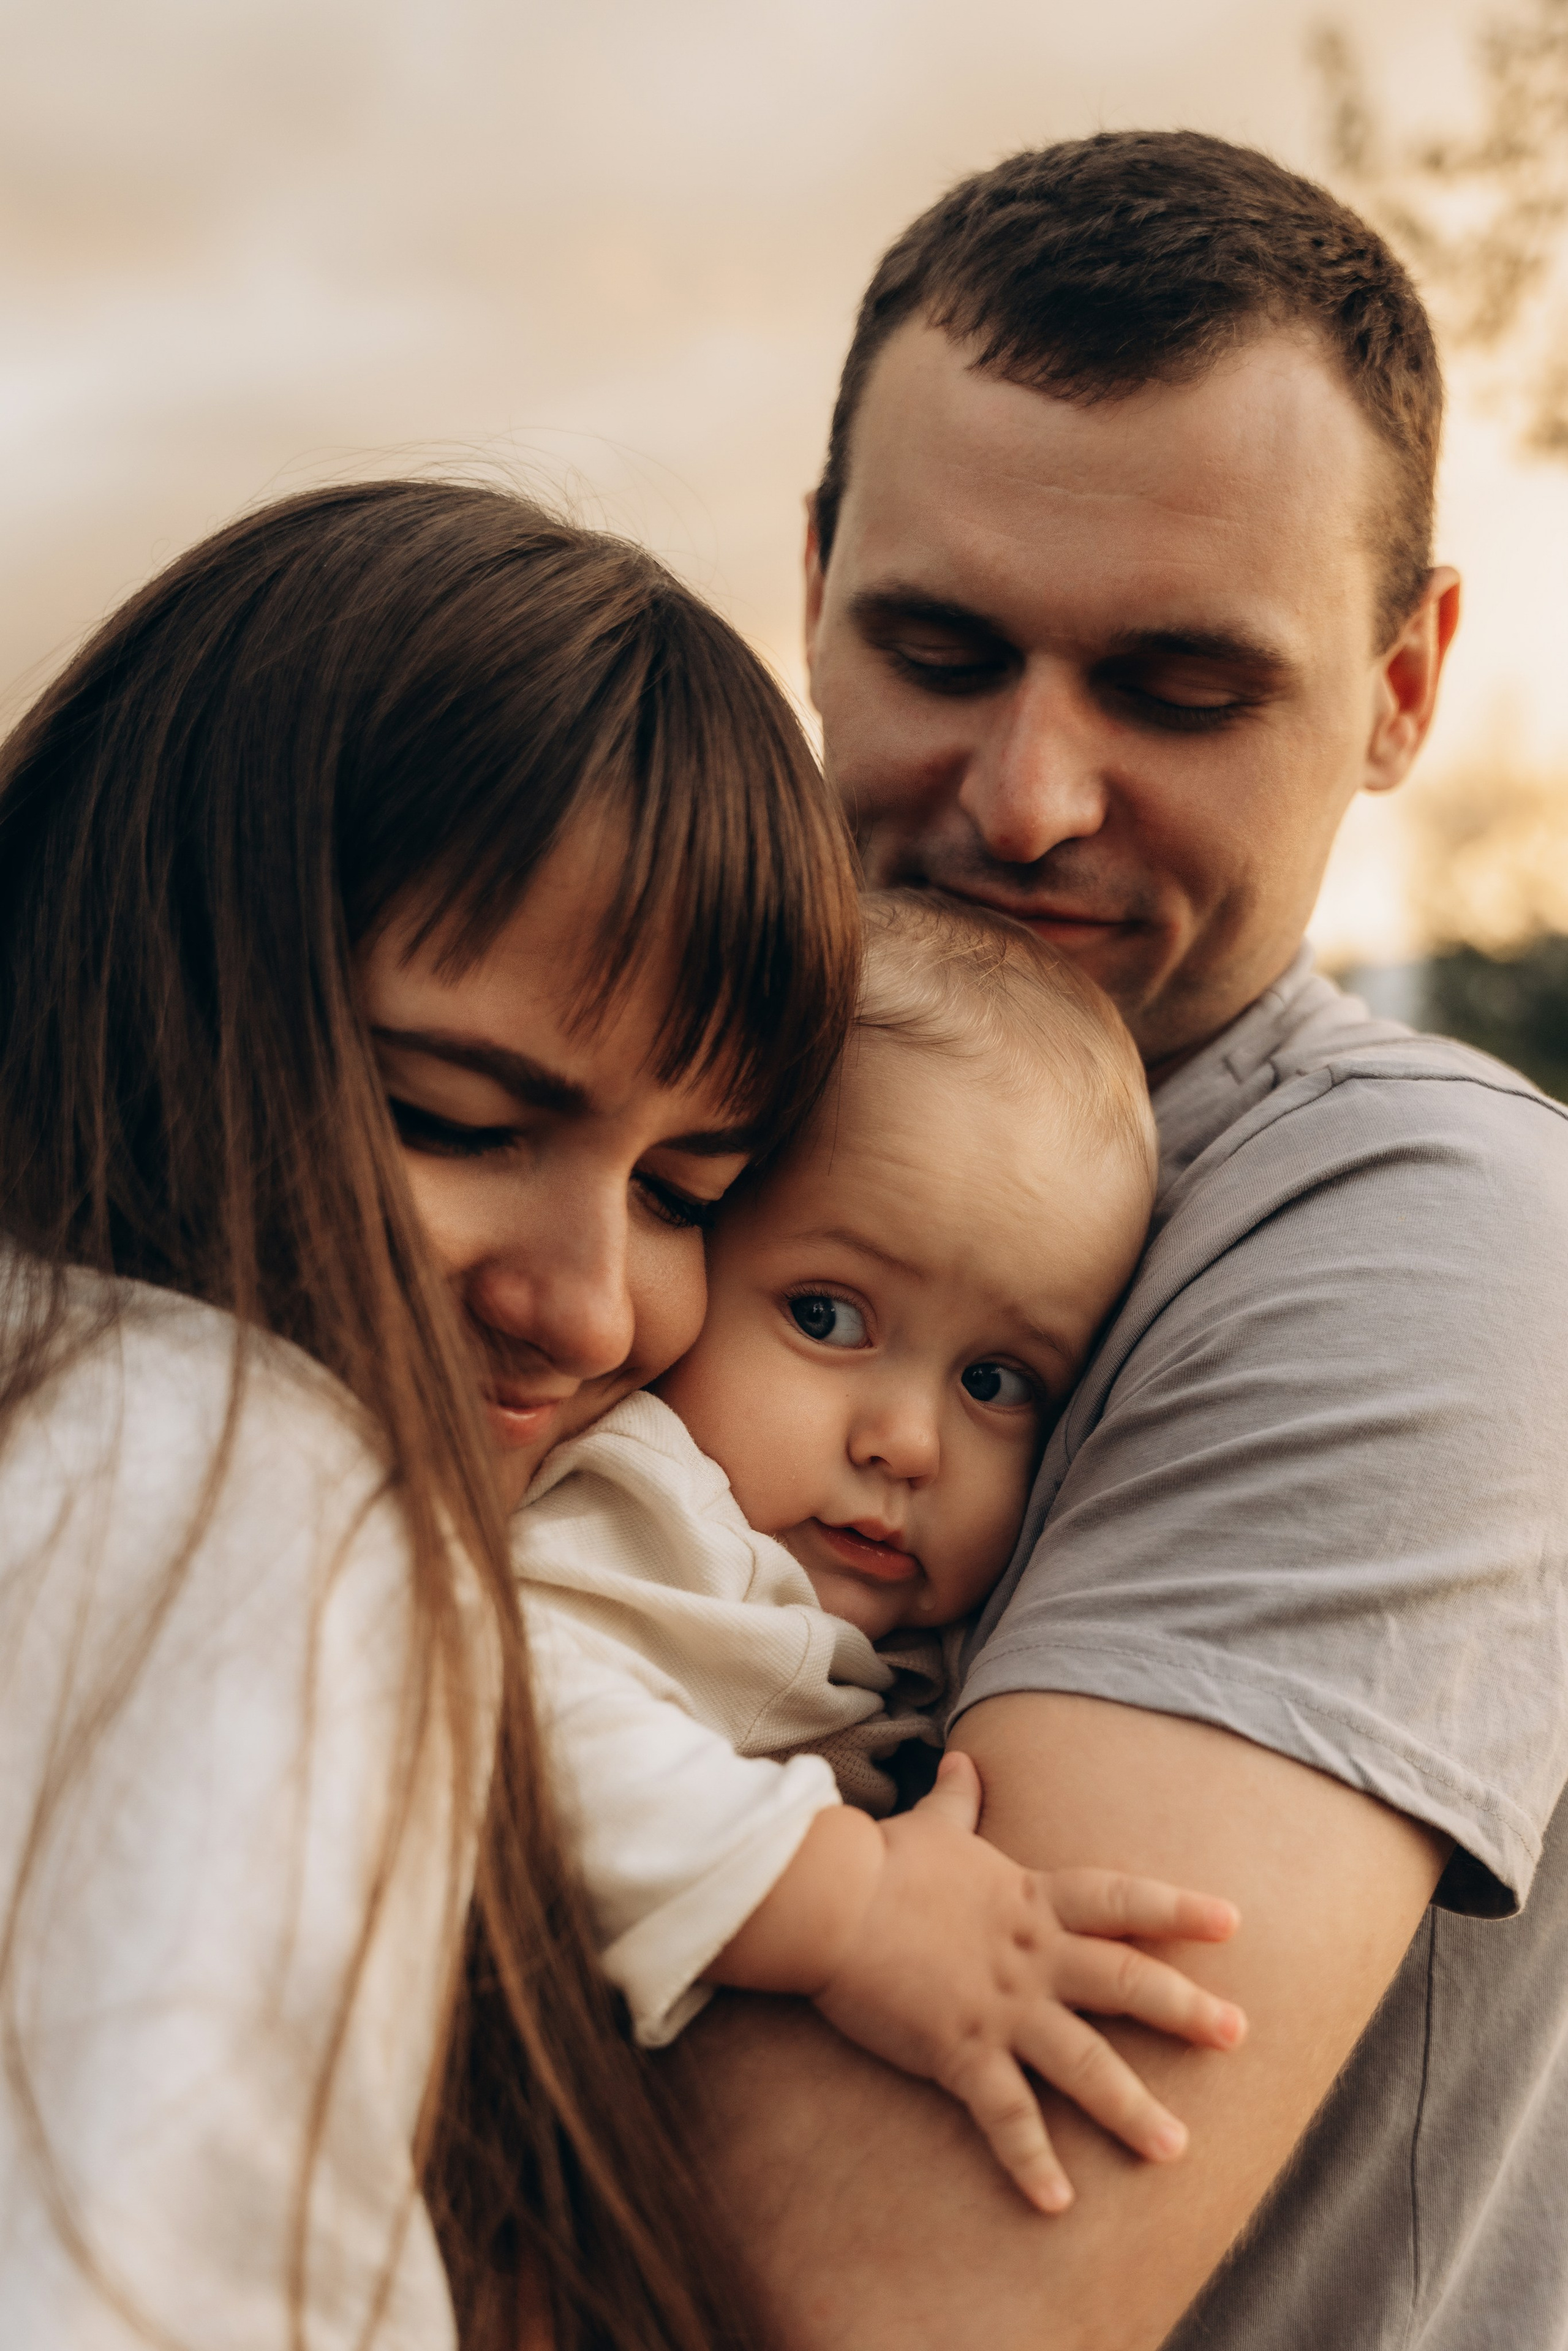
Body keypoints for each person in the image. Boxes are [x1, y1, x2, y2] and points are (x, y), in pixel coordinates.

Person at [671, 132, 1568, 2350]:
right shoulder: (646, 1121)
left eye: (1179, 688)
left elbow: (880, 2287)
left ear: (1401, 682)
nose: (1029, 797)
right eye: (940, 648)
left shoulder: (1422, 1234)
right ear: (808, 591)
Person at [0, 478, 865, 2350]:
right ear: (156, 978)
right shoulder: (234, 1467)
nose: (588, 1301)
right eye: (458, 1118)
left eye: (686, 1191)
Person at [516, 891, 1248, 2218]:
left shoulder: (931, 1610)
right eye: (824, 1312)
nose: (906, 1438)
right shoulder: (653, 1504)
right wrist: (850, 1904)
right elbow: (484, 1700)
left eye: (997, 1380)